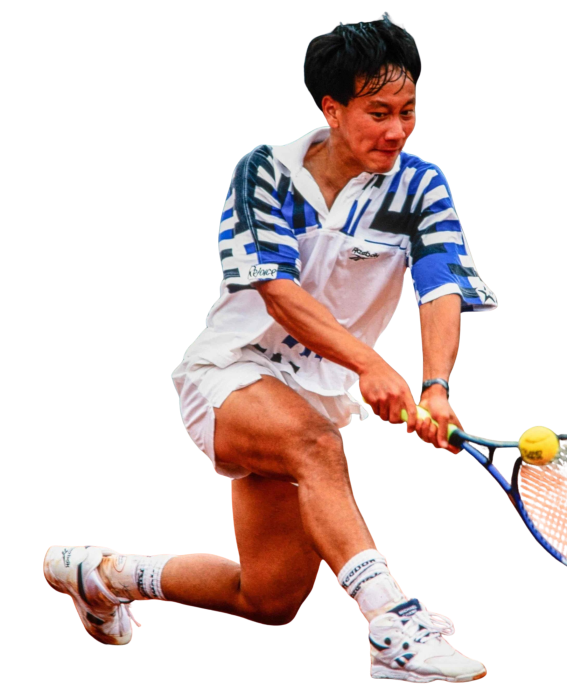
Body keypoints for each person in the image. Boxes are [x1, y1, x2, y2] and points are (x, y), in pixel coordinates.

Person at [42, 12, 497, 683]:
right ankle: (391, 622)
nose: (397, 130)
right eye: (378, 113)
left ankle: (105, 576)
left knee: (269, 597)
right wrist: (371, 365)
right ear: (332, 110)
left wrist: (435, 388)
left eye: (407, 112)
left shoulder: (422, 185)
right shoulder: (266, 172)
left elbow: (441, 289)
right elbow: (280, 294)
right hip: (229, 374)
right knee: (316, 444)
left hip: (315, 394)